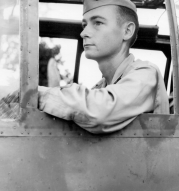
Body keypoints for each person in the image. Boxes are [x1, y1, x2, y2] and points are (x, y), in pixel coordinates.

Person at [38, 0, 169, 133]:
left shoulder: (146, 75)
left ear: (127, 31)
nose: (83, 33)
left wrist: (37, 95)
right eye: (84, 25)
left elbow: (98, 111)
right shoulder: (101, 87)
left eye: (98, 23)